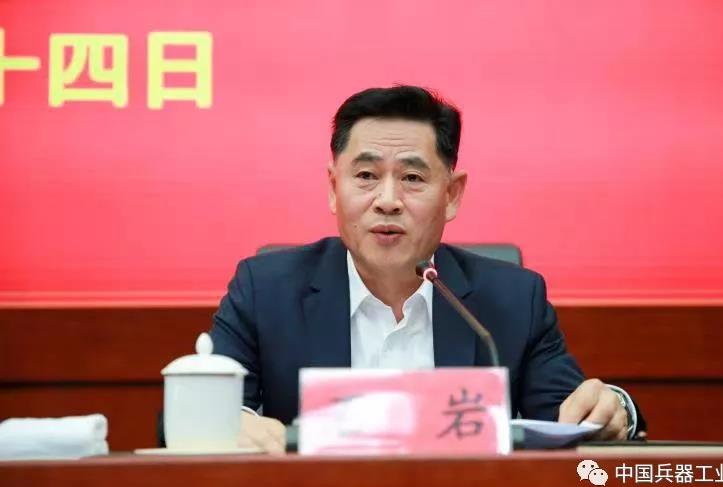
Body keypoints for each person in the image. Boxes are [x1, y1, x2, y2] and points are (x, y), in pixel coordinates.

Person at [211, 85, 646, 455]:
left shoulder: (513, 301)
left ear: (452, 195)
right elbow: (200, 411)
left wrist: (615, 410)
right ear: (333, 188)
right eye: (366, 175)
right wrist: (227, 422)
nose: (387, 200)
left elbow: (571, 417)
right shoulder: (265, 292)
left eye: (413, 179)